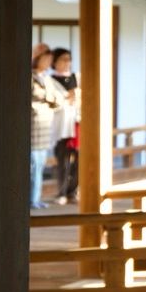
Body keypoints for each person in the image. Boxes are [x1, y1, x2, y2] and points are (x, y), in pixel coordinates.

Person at [29, 48, 64, 211]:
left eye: (49, 60)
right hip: (33, 128)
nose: (48, 63)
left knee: (40, 165)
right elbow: (35, 94)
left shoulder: (47, 79)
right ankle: (30, 199)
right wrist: (48, 96)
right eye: (45, 59)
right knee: (32, 166)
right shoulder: (30, 76)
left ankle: (36, 198)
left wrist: (47, 96)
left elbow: (58, 98)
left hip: (45, 126)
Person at [50, 48, 80, 204]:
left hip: (76, 123)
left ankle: (72, 191)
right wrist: (67, 98)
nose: (66, 62)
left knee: (79, 159)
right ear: (54, 62)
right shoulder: (50, 80)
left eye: (68, 59)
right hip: (60, 125)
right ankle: (61, 192)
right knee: (63, 159)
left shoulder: (76, 77)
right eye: (62, 59)